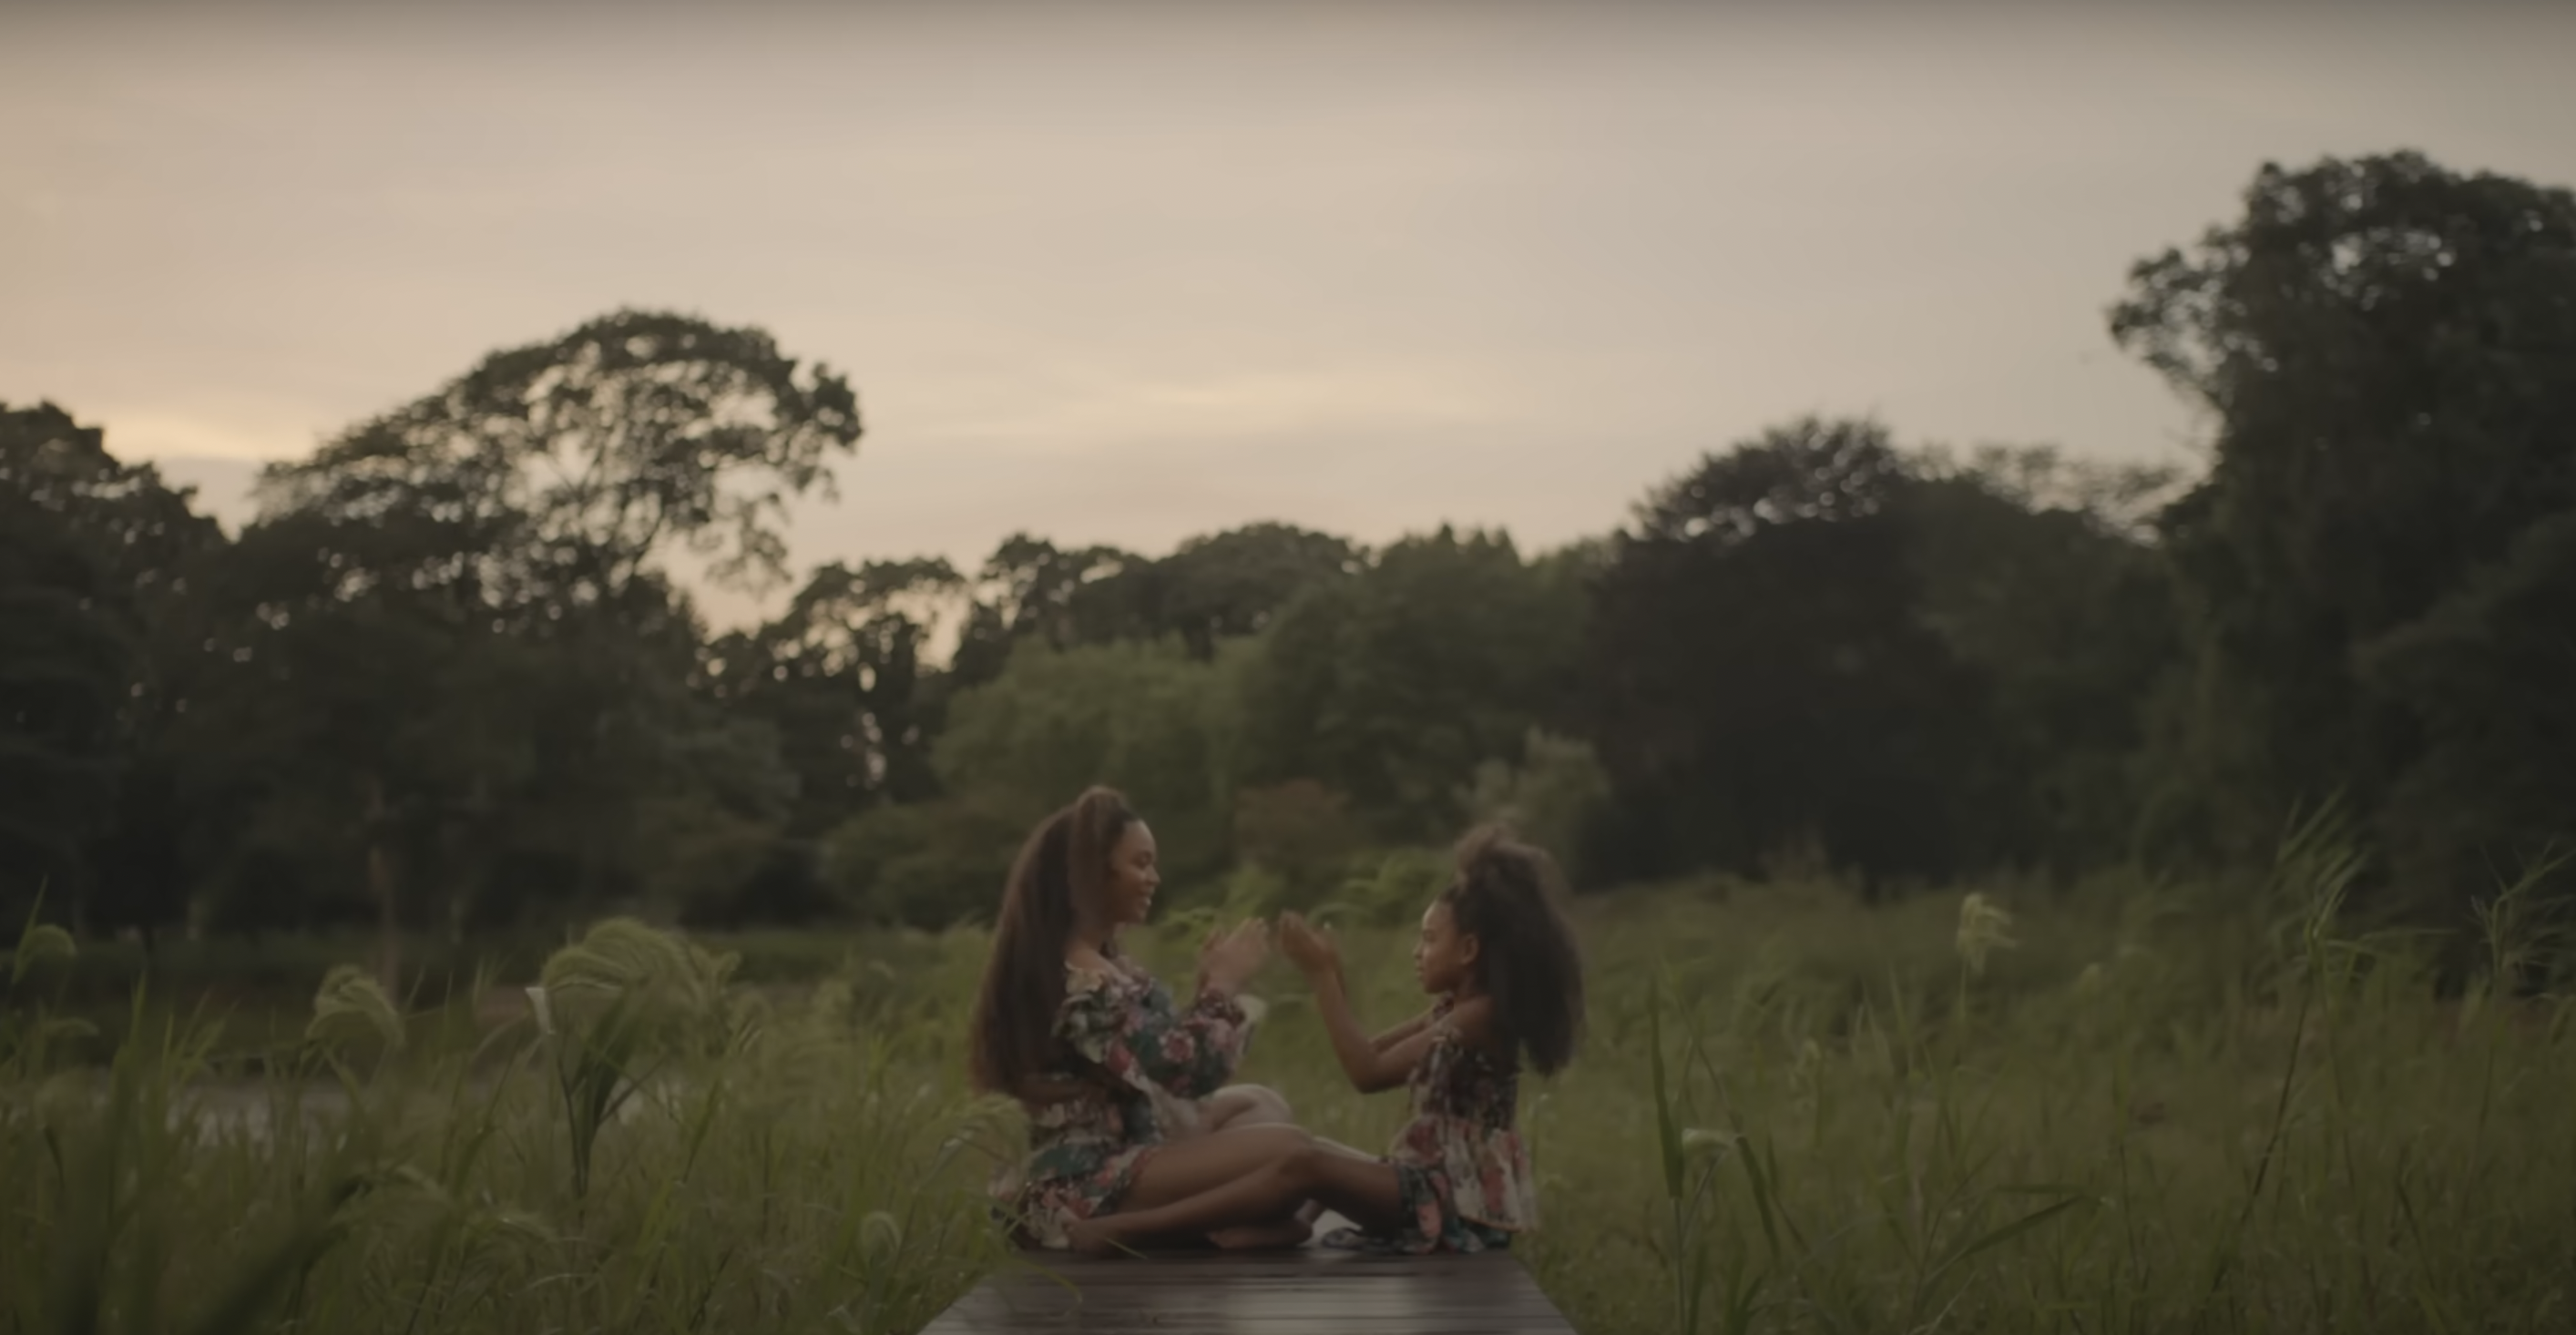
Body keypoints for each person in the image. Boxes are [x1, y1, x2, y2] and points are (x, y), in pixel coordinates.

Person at [1063, 824, 1587, 1257]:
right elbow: (1375, 1051)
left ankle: (1135, 1231)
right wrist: (1333, 973)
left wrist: (1321, 980)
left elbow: (1366, 1074)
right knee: (1310, 1147)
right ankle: (1285, 1228)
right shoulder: (1455, 1010)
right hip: (1426, 1182)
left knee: (1304, 1164)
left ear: (1469, 949)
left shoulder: (1481, 1017)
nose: (1416, 952)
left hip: (1448, 1202)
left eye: (1429, 940)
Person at [968, 786, 1323, 1251]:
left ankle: (1227, 1224)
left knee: (1262, 1106)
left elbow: (1162, 1062)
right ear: (1092, 875)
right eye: (1140, 863)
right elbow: (1190, 1072)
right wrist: (1222, 988)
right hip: (1083, 1185)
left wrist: (1204, 996)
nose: (1154, 877)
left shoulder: (1102, 963)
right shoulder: (1082, 984)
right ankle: (1179, 1228)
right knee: (1289, 1151)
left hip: (1135, 1145)